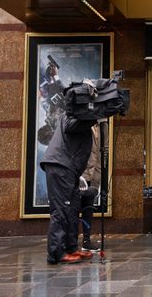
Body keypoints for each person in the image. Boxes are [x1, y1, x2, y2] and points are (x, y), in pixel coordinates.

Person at [40, 113, 97, 264]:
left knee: (72, 209)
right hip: (61, 166)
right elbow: (70, 126)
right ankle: (57, 254)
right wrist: (92, 116)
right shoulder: (74, 112)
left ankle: (71, 248)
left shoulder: (79, 114)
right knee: (61, 210)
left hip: (69, 168)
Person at [79, 124, 101, 252]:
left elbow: (100, 154)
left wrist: (96, 180)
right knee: (74, 208)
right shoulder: (82, 122)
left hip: (93, 176)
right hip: (81, 174)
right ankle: (69, 241)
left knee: (88, 209)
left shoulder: (101, 127)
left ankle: (86, 240)